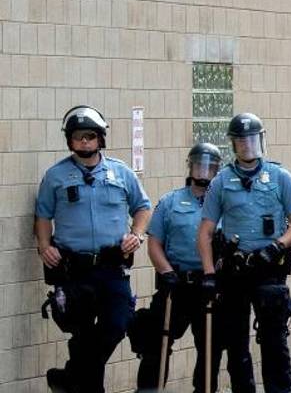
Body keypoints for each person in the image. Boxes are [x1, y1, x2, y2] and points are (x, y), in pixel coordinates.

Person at [36, 105, 153, 392]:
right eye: (78, 137)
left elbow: (143, 208)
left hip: (112, 267)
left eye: (89, 136)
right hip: (74, 269)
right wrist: (43, 245)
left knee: (117, 324)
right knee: (83, 336)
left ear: (100, 138)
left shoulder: (121, 172)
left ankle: (69, 377)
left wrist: (136, 235)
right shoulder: (56, 176)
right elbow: (42, 215)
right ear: (70, 141)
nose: (84, 142)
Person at [196, 113, 291, 393]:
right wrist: (209, 273)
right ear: (233, 144)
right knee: (236, 345)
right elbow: (205, 232)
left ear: (261, 140)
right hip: (235, 271)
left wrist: (276, 246)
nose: (247, 146)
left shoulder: (280, 177)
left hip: (269, 268)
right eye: (240, 141)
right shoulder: (221, 181)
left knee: (274, 342)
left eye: (252, 140)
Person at [133, 143, 223, 392]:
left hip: (208, 285)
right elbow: (155, 243)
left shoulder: (223, 205)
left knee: (209, 346)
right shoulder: (170, 201)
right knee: (157, 341)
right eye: (199, 165)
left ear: (217, 171)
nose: (203, 172)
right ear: (190, 166)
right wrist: (166, 272)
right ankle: (150, 389)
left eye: (209, 167)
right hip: (176, 283)